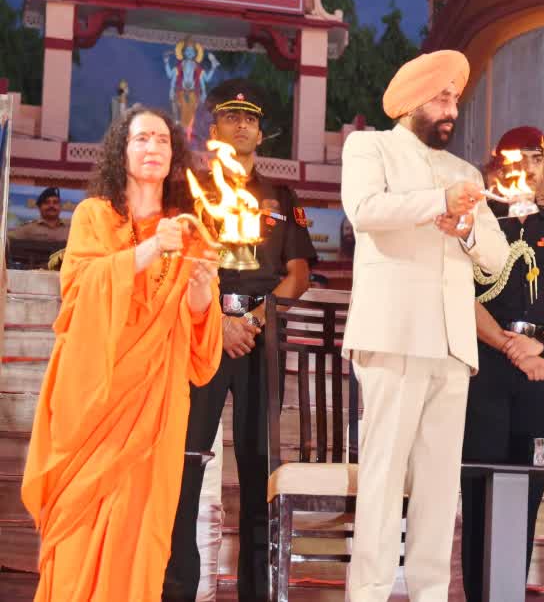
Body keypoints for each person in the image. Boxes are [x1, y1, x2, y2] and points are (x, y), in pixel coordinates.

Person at [21, 107, 223, 601]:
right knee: (76, 529)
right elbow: (79, 290)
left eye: (161, 140)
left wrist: (200, 290)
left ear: (173, 155)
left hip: (154, 405)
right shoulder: (94, 215)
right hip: (91, 395)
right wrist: (154, 247)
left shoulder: (190, 230)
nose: (152, 147)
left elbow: (202, 351)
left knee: (140, 531)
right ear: (122, 150)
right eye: (141, 139)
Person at [340, 50, 510, 602]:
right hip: (391, 334)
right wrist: (434, 202)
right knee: (384, 476)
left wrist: (462, 227)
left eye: (456, 99)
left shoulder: (465, 173)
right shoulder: (371, 147)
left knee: (440, 485)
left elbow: (495, 256)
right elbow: (364, 210)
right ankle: (367, 592)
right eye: (442, 98)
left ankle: (430, 593)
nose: (451, 110)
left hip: (453, 344)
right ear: (412, 100)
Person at [162, 80, 319, 601]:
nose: (244, 124)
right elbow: (177, 263)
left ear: (260, 130)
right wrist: (216, 322)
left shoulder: (282, 196)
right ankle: (178, 585)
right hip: (200, 331)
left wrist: (250, 321)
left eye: (251, 117)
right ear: (215, 128)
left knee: (259, 470)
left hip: (260, 339)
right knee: (185, 464)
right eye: (232, 115)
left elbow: (297, 274)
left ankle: (257, 591)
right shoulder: (191, 189)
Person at [460, 126, 544, 602]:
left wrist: (541, 345)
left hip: (541, 372)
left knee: (529, 485)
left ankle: (509, 591)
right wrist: (506, 344)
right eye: (518, 157)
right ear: (497, 165)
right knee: (478, 488)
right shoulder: (479, 220)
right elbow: (460, 291)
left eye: (537, 157)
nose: (529, 166)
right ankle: (479, 594)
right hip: (485, 369)